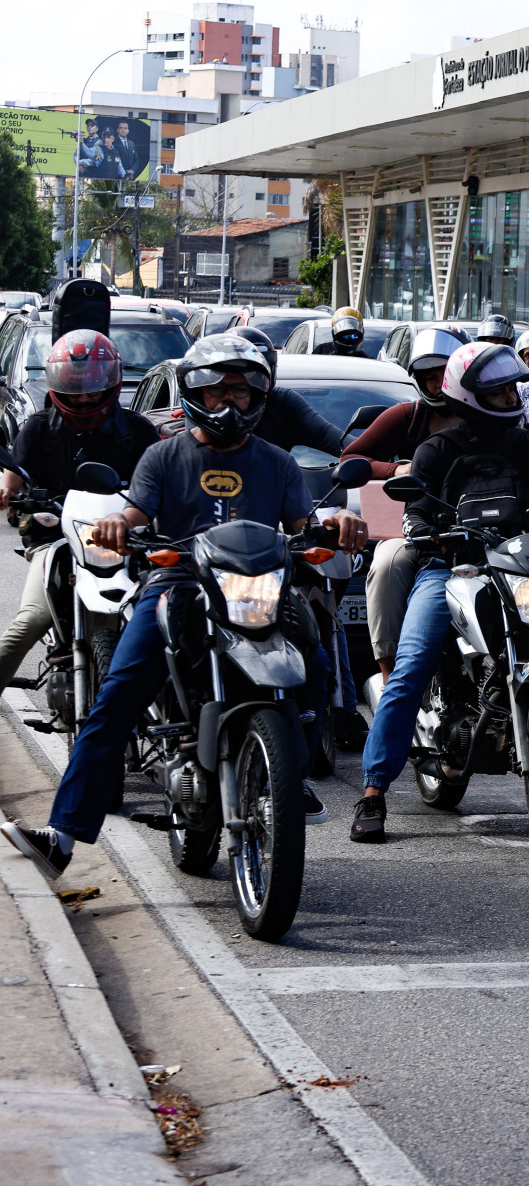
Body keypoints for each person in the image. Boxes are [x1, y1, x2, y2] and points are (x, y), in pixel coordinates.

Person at [1, 336, 368, 880]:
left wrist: (339, 522)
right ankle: (62, 837)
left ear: (259, 396)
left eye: (242, 392)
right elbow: (133, 512)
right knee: (116, 697)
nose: (230, 402)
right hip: (177, 583)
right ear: (195, 394)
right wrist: (116, 524)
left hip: (258, 589)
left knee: (315, 664)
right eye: (218, 391)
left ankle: (288, 778)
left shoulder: (277, 463)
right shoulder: (163, 455)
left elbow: (305, 524)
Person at [349, 341, 529, 844]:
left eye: (512, 388)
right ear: (468, 396)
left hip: (521, 570)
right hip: (448, 570)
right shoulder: (435, 450)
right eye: (498, 392)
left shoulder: (528, 444)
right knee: (410, 668)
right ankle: (373, 790)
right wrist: (421, 529)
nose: (511, 397)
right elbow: (414, 509)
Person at [0, 332, 161, 693]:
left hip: (128, 543)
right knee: (32, 620)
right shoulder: (39, 428)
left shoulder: (138, 431)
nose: (85, 398)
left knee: (167, 616)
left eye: (93, 390)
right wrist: (7, 491)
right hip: (55, 539)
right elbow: (15, 474)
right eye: (75, 391)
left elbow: (162, 479)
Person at [342, 326, 465, 676]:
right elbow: (350, 458)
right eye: (429, 377)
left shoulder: (488, 415)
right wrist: (396, 470)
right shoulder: (407, 416)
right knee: (387, 564)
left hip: (484, 525)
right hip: (414, 528)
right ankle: (389, 671)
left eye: (443, 374)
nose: (437, 384)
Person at [233, 327, 345, 455]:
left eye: (250, 375)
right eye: (218, 388)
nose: (231, 396)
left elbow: (328, 436)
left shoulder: (281, 405)